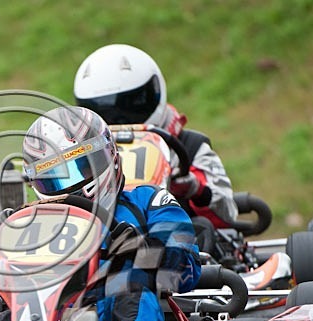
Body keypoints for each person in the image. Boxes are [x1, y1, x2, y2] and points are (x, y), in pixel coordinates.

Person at [0, 106, 200, 321]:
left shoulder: (149, 201)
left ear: (106, 157)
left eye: (77, 168)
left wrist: (142, 249)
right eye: (53, 176)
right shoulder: (33, 220)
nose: (67, 185)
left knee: (130, 283)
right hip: (49, 306)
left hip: (113, 301)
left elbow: (188, 271)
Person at [73, 43, 239, 231]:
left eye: (130, 105)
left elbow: (228, 215)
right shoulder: (83, 157)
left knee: (204, 227)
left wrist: (195, 189)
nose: (119, 122)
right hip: (105, 246)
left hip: (182, 246)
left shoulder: (189, 147)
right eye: (104, 112)